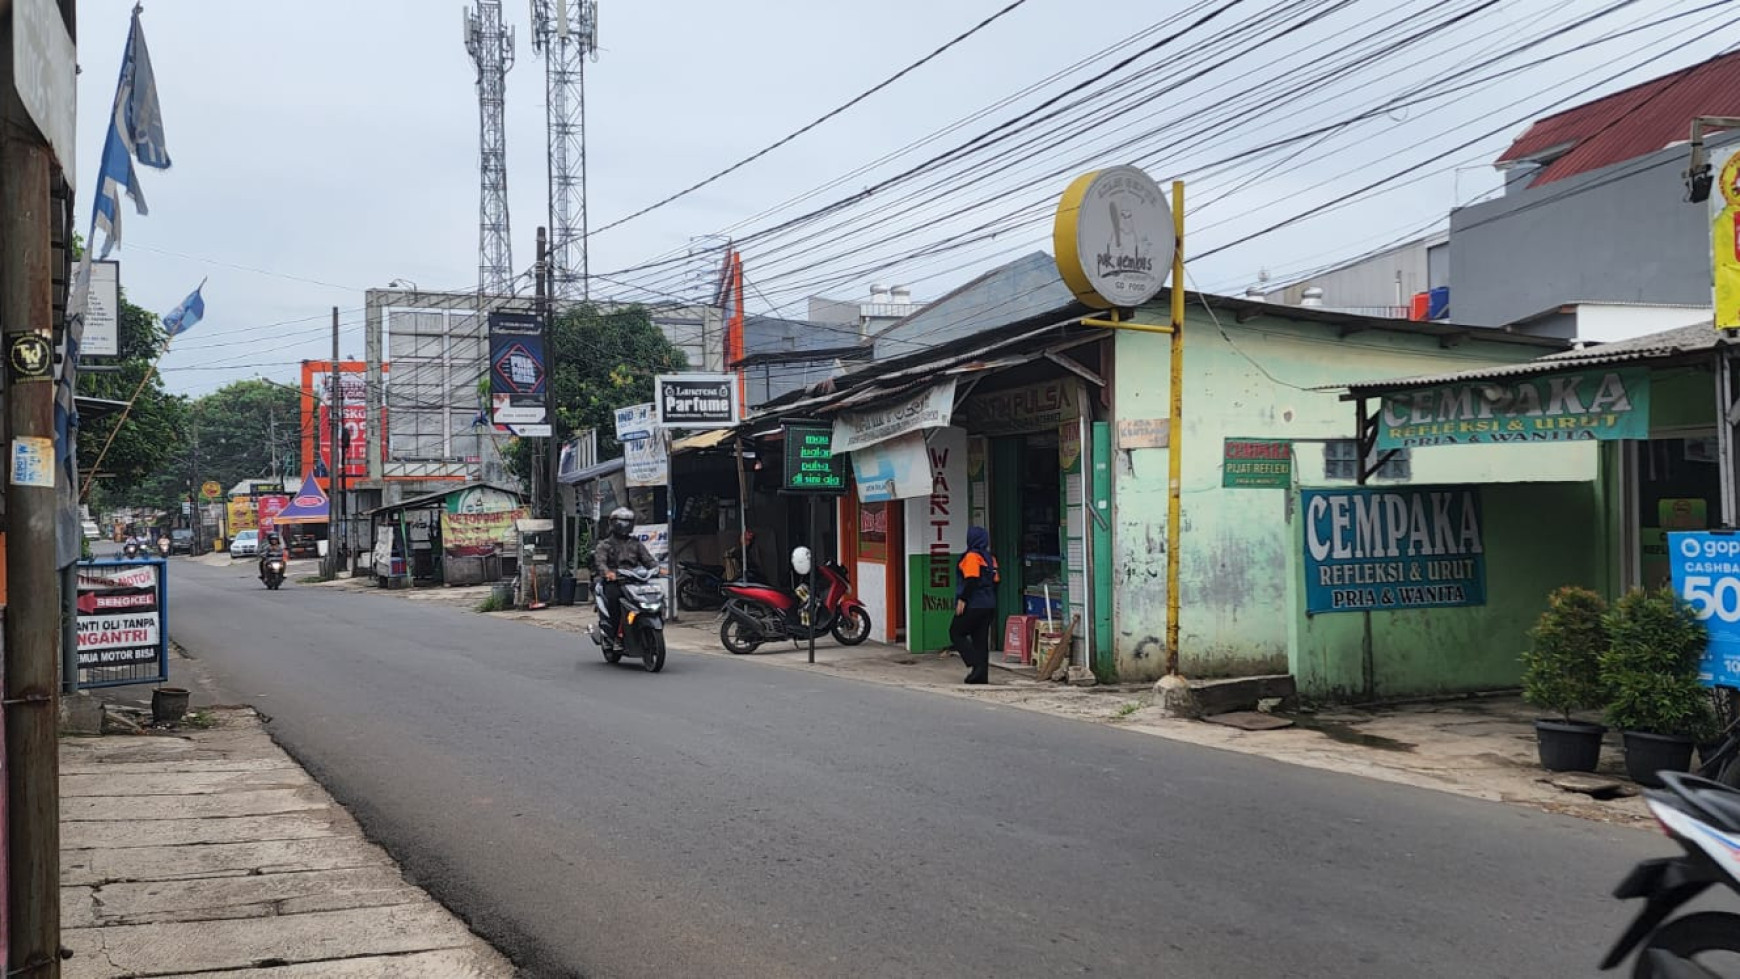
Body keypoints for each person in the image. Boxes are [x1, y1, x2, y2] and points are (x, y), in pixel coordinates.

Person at [593, 506, 657, 645]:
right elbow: (600, 562)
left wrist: (658, 569)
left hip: (634, 580)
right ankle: (615, 636)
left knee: (653, 594)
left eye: (628, 522)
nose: (625, 525)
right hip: (614, 582)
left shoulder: (636, 543)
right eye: (622, 522)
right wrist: (608, 573)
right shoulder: (605, 545)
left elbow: (648, 560)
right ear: (613, 524)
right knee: (614, 600)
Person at [950, 526, 999, 685]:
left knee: (956, 632)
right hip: (989, 603)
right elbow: (996, 581)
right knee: (980, 640)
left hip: (973, 603)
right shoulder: (990, 558)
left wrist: (963, 599)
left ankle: (975, 663)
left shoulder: (972, 556)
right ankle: (980, 676)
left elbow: (971, 580)